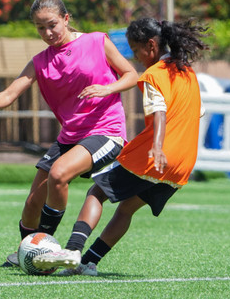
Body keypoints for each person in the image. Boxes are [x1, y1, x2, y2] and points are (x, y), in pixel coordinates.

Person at [0, 0, 138, 266]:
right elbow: (11, 93)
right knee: (33, 203)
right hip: (70, 136)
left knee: (59, 174)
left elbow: (132, 74)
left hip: (105, 130)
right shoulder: (40, 62)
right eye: (40, 28)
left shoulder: (97, 41)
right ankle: (26, 250)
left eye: (52, 25)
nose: (47, 32)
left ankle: (45, 247)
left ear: (66, 19)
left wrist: (107, 88)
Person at [33, 17, 207, 276]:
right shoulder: (186, 71)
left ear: (151, 45)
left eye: (136, 51)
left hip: (154, 156)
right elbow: (199, 112)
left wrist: (158, 147)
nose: (136, 58)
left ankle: (72, 251)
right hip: (182, 165)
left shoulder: (152, 75)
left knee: (96, 193)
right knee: (126, 209)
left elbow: (159, 112)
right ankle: (89, 262)